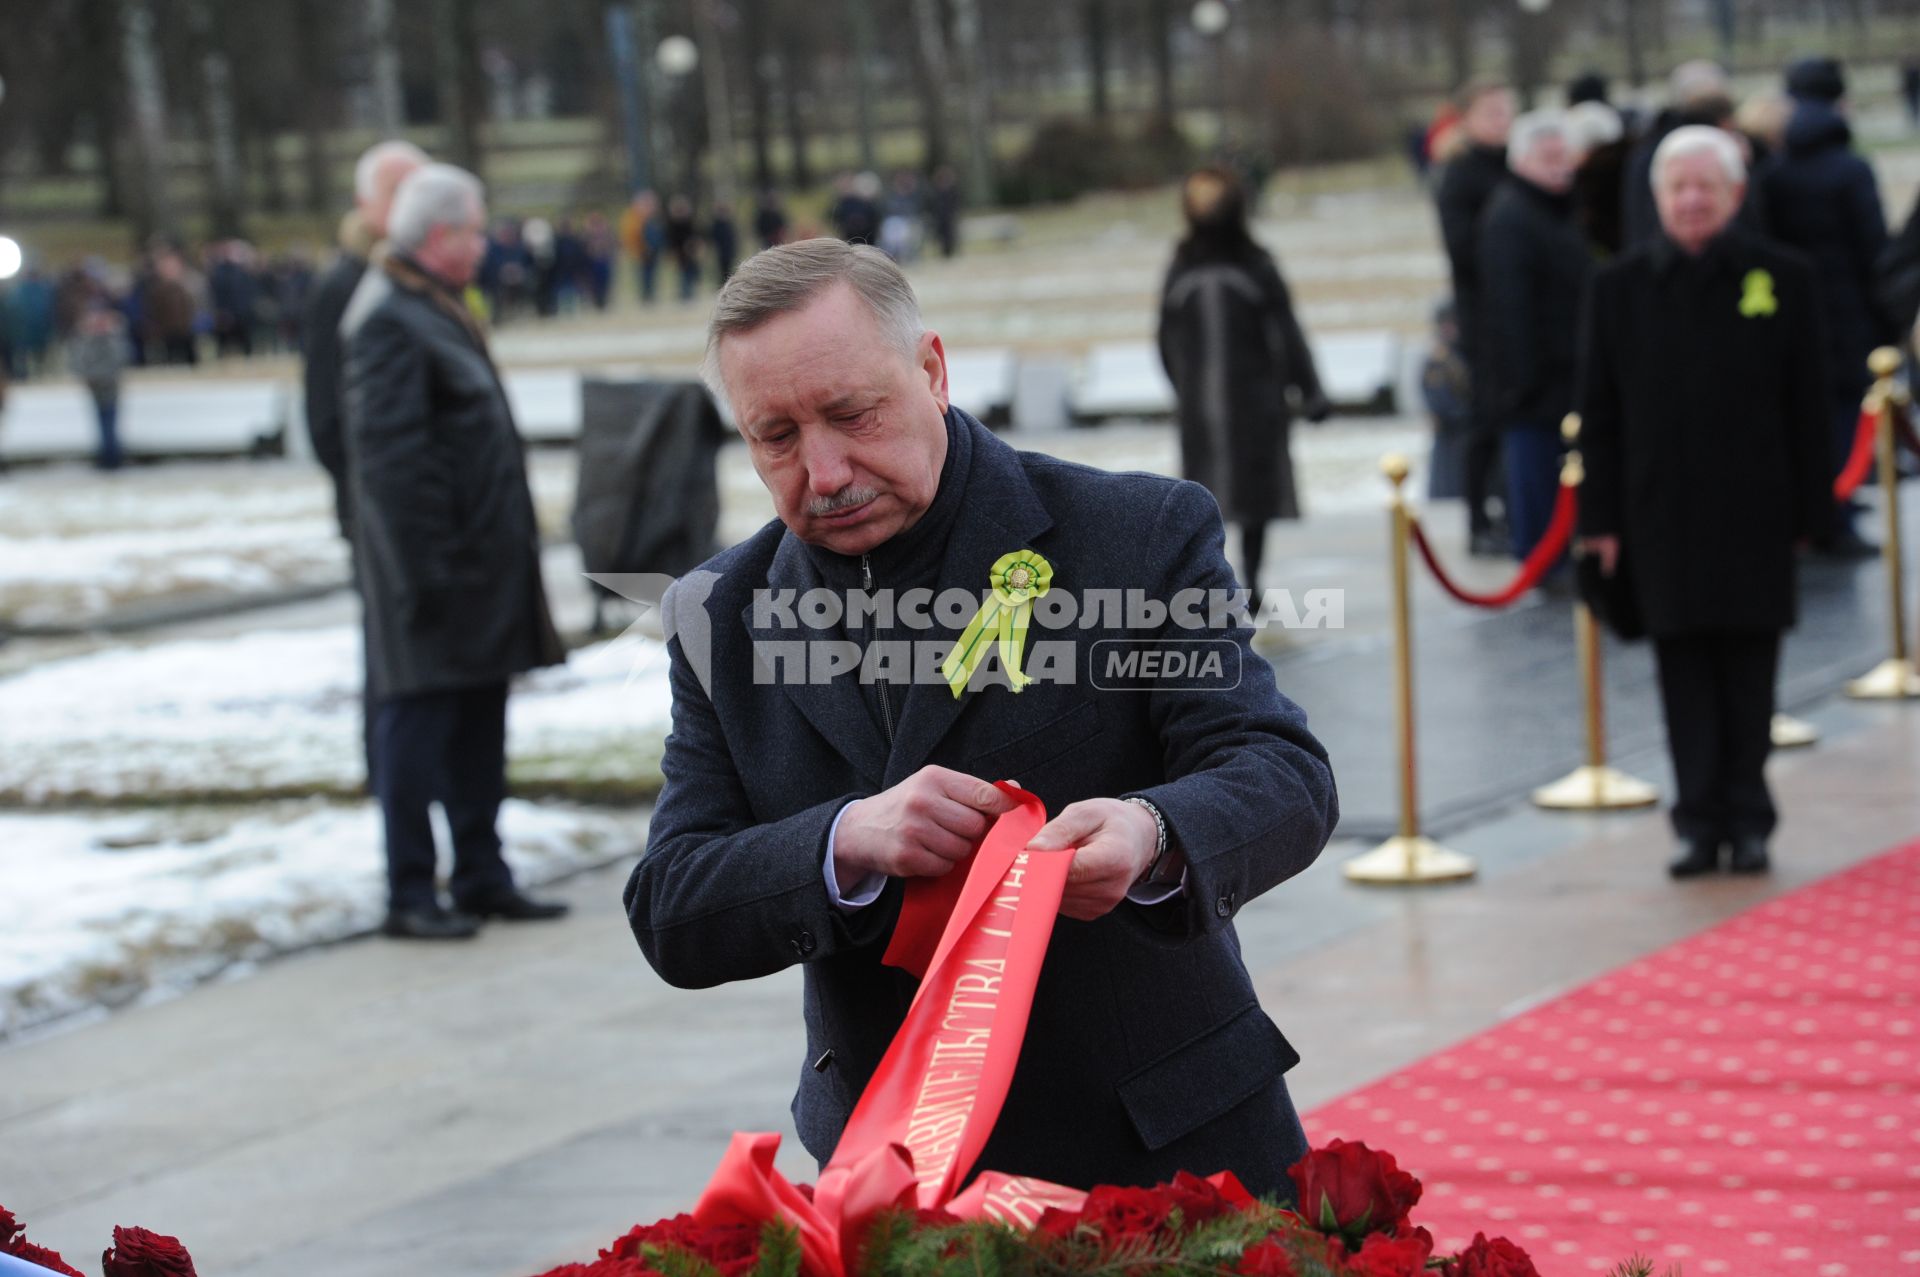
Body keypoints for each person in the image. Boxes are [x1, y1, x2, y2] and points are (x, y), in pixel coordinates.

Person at [626, 238, 1338, 1197]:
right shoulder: (719, 613)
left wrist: (1152, 829)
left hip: (1172, 1157)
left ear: (931, 370)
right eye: (776, 437)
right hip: (897, 1185)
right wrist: (843, 842)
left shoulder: (1137, 534)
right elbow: (673, 905)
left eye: (850, 413)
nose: (824, 470)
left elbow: (1281, 772)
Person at [1576, 127, 1828, 880]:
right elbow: (1599, 412)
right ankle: (1697, 821)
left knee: (1751, 675)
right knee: (1682, 672)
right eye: (1677, 187)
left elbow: (1809, 404)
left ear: (1734, 195)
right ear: (1656, 199)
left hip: (1756, 513)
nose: (1690, 200)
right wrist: (1601, 521)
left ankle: (1749, 818)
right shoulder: (1619, 288)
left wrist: (1814, 515)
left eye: (1704, 187)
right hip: (1662, 516)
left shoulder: (1783, 277)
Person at [341, 163, 570, 940]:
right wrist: (427, 573)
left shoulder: (431, 305)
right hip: (434, 576)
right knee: (417, 725)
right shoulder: (389, 318)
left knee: (478, 721)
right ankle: (411, 888)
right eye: (474, 229)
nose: (483, 242)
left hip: (476, 569)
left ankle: (480, 872)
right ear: (439, 236)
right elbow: (393, 467)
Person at [1157, 167, 1327, 589]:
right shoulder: (1244, 264)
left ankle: (1240, 581)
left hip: (1222, 404)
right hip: (1240, 403)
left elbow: (1165, 340)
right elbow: (1286, 332)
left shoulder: (1196, 266)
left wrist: (1184, 388)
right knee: (1234, 499)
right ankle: (1238, 581)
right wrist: (1308, 390)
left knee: (1230, 497)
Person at [1762, 57, 1891, 558]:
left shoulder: (1776, 170)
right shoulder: (1850, 169)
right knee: (1839, 418)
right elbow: (1873, 246)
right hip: (1846, 311)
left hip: (1795, 310)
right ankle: (1831, 517)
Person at [1477, 110, 1589, 563]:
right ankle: (1543, 563)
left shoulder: (1558, 209)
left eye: (1564, 155)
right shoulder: (1511, 218)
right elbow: (1510, 308)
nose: (1559, 165)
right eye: (1548, 157)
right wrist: (1524, 384)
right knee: (1537, 490)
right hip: (1534, 388)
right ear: (1521, 161)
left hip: (1565, 377)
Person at [304, 140, 428, 542]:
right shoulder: (345, 285)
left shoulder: (424, 279)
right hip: (376, 507)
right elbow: (325, 411)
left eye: (420, 190)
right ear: (363, 202)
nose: (412, 203)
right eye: (398, 192)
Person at [1433, 78, 1516, 557]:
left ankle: (1506, 508)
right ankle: (1478, 518)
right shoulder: (1461, 173)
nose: (1501, 120)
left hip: (1514, 307)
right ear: (1467, 119)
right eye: (1491, 112)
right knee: (1485, 417)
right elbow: (1460, 248)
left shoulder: (1511, 164)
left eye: (1506, 111)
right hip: (1482, 312)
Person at [68, 300, 130, 471]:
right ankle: (109, 456)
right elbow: (80, 362)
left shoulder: (109, 339)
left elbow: (118, 360)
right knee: (104, 423)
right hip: (98, 387)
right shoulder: (90, 340)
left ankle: (111, 457)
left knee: (108, 422)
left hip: (106, 386)